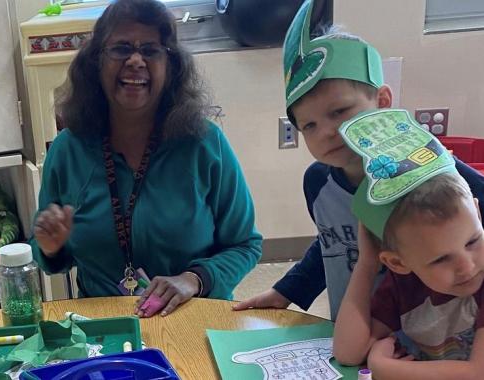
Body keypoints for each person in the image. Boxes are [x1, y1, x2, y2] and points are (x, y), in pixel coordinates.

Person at [233, 0, 484, 319]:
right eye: (309, 125)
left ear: (382, 102)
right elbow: (333, 244)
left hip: (425, 345)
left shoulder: (428, 169)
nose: (326, 132)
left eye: (339, 112)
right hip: (352, 329)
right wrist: (286, 291)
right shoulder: (318, 182)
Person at [30, 0, 262, 317]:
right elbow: (48, 255)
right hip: (104, 327)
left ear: (171, 67)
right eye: (121, 48)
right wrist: (50, 246)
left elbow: (246, 244)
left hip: (195, 317)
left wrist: (194, 279)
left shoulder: (204, 144)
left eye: (151, 51)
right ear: (96, 62)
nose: (136, 60)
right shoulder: (67, 151)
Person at [332, 109, 484, 379]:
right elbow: (347, 353)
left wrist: (385, 366)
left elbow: (476, 372)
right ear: (397, 263)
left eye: (473, 241)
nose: (467, 266)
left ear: (478, 213)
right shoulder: (402, 287)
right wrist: (366, 263)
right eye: (440, 259)